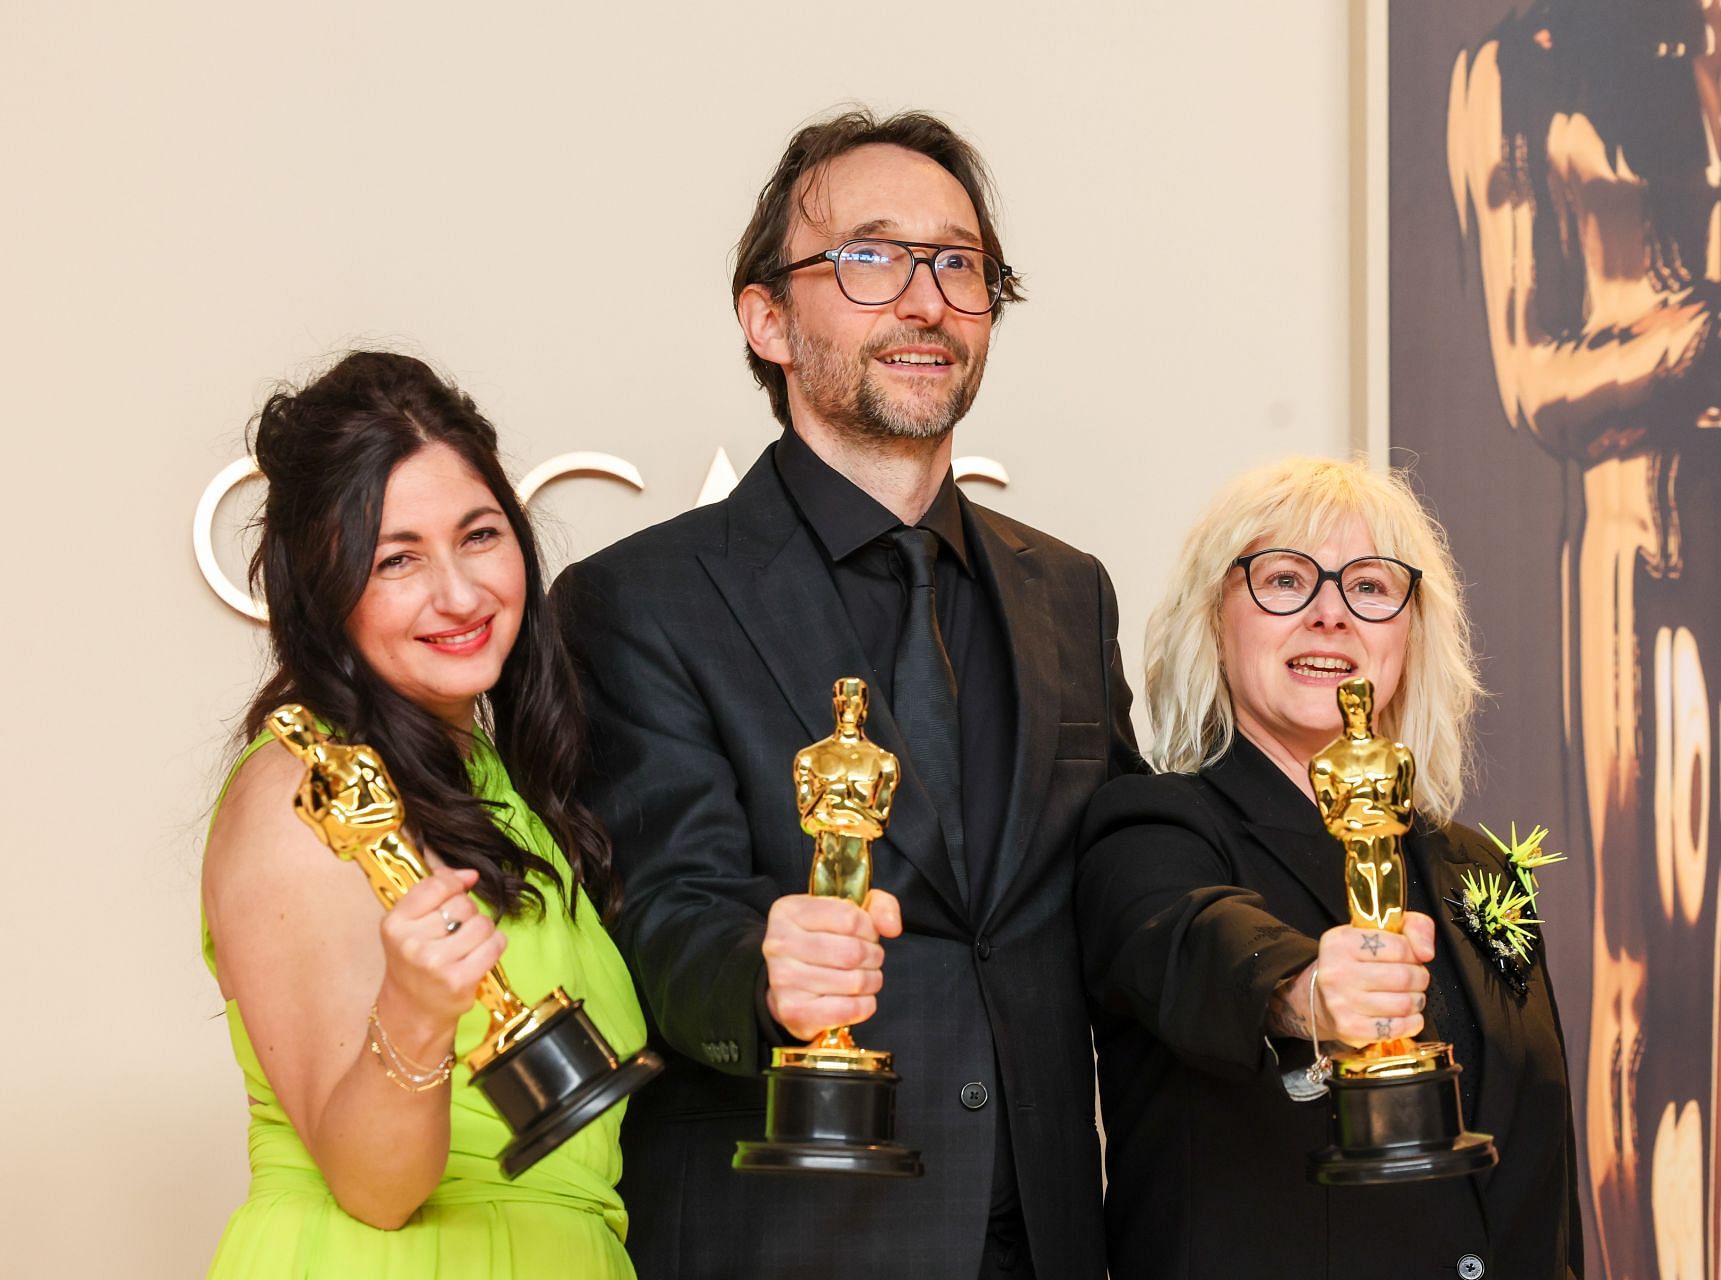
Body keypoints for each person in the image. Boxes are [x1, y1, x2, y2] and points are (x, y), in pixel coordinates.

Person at [554, 108, 1137, 1280]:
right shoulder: (638, 598)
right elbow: (662, 911)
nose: (925, 301)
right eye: (870, 257)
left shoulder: (1068, 591)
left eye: (958, 264)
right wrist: (760, 968)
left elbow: (1122, 895)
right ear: (767, 318)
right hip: (789, 1238)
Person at [1446, 6, 1721, 1272]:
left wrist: (1712, 327)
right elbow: (1539, 374)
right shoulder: (1520, 70)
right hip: (1638, 556)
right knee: (1654, 964)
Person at [1075, 458, 1581, 1279]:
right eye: (1285, 580)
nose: (1330, 616)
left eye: (1371, 588)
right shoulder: (1153, 829)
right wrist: (1306, 990)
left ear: (1412, 632)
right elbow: (1196, 946)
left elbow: (1541, 1183)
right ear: (1214, 620)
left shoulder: (1479, 870)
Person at [200, 351, 647, 1277]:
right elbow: (373, 1186)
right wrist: (413, 1011)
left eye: (478, 535)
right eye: (397, 557)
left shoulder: (488, 775)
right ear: (323, 592)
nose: (459, 593)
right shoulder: (302, 795)